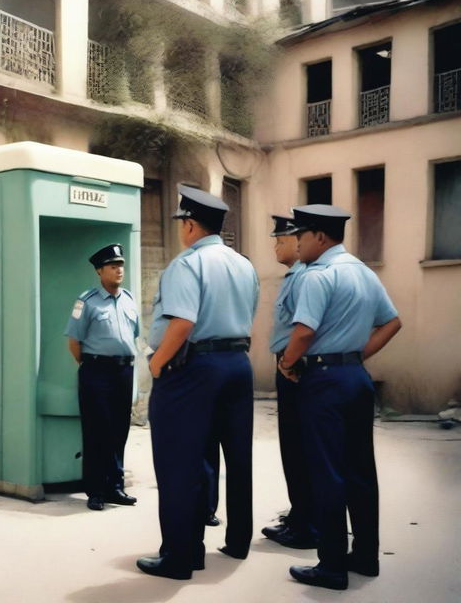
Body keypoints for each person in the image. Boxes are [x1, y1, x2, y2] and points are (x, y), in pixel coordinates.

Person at [137, 184, 259, 580]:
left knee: (180, 463)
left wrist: (157, 363)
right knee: (237, 458)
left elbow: (183, 321)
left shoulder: (187, 265)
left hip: (193, 370)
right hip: (237, 365)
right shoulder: (244, 265)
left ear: (189, 225)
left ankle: (181, 555)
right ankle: (238, 540)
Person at [278, 204, 401, 591]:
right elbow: (392, 322)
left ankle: (331, 565)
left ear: (320, 237)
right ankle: (365, 555)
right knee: (361, 470)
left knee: (326, 472)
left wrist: (287, 362)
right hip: (355, 379)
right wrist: (356, 354)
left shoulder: (318, 276)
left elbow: (302, 333)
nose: (296, 244)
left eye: (300, 236)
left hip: (324, 383)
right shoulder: (364, 272)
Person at [65, 244, 139, 511]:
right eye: (112, 266)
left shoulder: (129, 299)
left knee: (120, 430)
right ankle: (95, 490)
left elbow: (134, 335)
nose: (119, 270)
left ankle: (114, 487)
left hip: (124, 371)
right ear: (99, 271)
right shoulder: (86, 301)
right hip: (96, 371)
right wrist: (91, 365)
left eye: (121, 265)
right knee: (97, 431)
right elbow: (74, 342)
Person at [261, 215, 317, 549]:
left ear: (295, 242)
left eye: (279, 240)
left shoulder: (302, 277)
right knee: (295, 447)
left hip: (293, 367)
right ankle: (300, 516)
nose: (276, 246)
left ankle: (305, 525)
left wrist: (288, 361)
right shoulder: (296, 276)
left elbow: (303, 328)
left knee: (297, 449)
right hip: (292, 364)